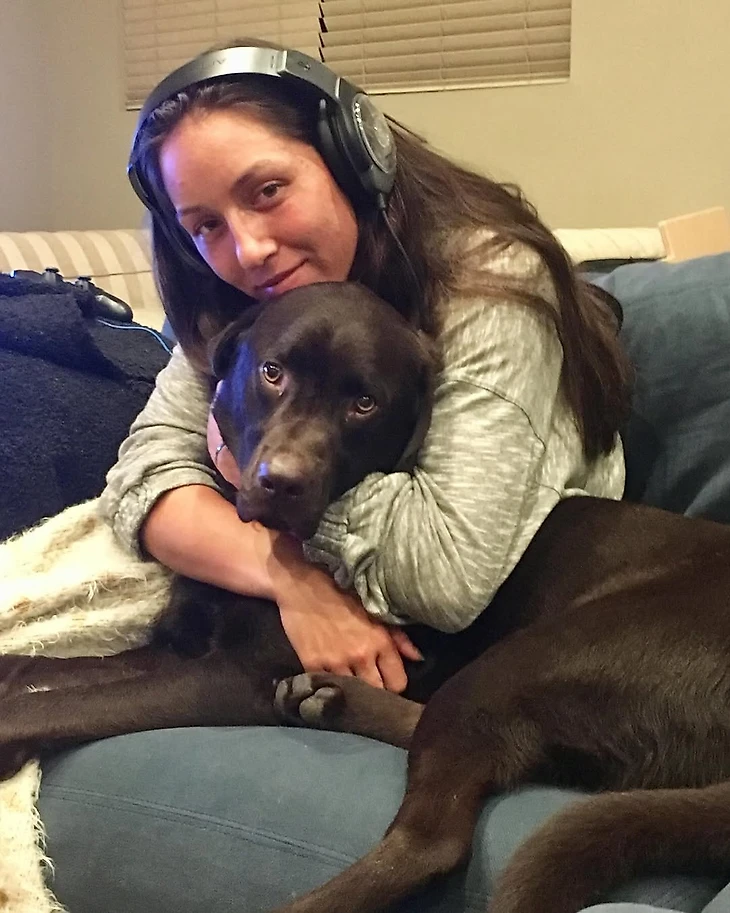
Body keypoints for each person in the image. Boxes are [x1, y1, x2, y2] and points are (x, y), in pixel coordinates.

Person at [37, 39, 716, 913]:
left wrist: (257, 483)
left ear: (354, 156)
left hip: (617, 611)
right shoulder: (253, 306)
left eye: (267, 190)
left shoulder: (490, 285)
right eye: (204, 225)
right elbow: (142, 474)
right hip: (490, 644)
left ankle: (417, 844)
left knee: (484, 704)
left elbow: (444, 571)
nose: (247, 245)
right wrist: (287, 577)